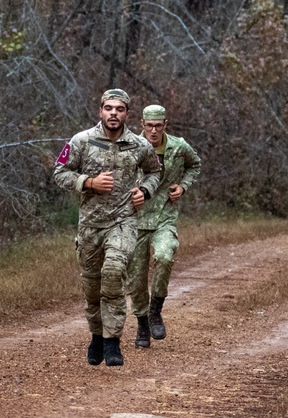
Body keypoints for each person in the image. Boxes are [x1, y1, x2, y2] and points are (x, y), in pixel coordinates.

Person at [53, 89, 161, 367]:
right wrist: (89, 183)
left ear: (127, 114)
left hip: (123, 221)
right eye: (109, 108)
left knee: (113, 272)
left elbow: (154, 171)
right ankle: (97, 337)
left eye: (120, 109)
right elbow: (60, 172)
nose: (114, 113)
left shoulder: (139, 145)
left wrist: (144, 192)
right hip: (90, 225)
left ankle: (113, 342)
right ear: (100, 111)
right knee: (91, 286)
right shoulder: (82, 141)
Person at [127, 104, 201, 348]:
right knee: (136, 278)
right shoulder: (131, 146)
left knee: (165, 255)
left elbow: (195, 164)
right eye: (149, 126)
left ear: (165, 124)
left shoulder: (178, 147)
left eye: (158, 126)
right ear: (142, 125)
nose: (154, 131)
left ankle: (155, 310)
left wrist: (183, 186)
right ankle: (142, 323)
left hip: (164, 216)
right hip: (135, 219)